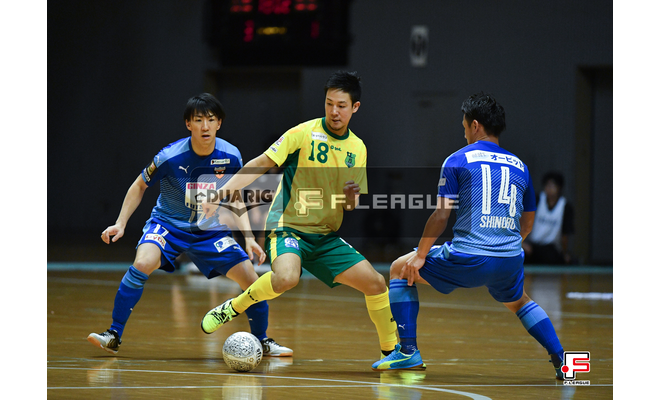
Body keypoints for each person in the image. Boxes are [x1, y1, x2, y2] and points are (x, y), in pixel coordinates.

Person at [199, 71, 399, 363]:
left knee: (376, 283)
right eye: (329, 103)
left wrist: (350, 195)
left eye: (341, 105)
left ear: (355, 107)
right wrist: (221, 194)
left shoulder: (358, 149)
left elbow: (350, 206)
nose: (334, 111)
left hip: (325, 237)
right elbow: (261, 163)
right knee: (287, 278)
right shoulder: (302, 133)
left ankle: (391, 352)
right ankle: (234, 307)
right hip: (288, 227)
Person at [372, 93, 566, 380]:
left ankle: (408, 352)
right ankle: (563, 361)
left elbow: (441, 217)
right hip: (510, 258)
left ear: (475, 125)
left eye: (464, 127)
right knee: (520, 302)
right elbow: (527, 224)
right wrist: (503, 245)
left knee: (401, 268)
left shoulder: (457, 159)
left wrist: (421, 255)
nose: (463, 133)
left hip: (469, 257)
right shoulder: (520, 166)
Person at [87, 93, 292, 357]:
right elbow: (139, 185)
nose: (205, 126)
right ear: (188, 124)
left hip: (210, 231)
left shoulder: (231, 155)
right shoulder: (169, 156)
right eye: (198, 120)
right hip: (168, 226)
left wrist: (250, 238)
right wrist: (120, 223)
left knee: (252, 279)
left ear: (219, 123)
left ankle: (262, 340)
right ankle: (113, 334)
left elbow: (235, 195)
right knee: (142, 263)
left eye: (211, 119)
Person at [522, 171, 575, 265]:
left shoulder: (565, 207)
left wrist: (565, 253)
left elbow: (565, 235)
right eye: (547, 185)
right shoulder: (537, 200)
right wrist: (522, 243)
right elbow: (522, 220)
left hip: (551, 249)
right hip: (532, 246)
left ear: (559, 188)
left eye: (553, 185)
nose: (549, 189)